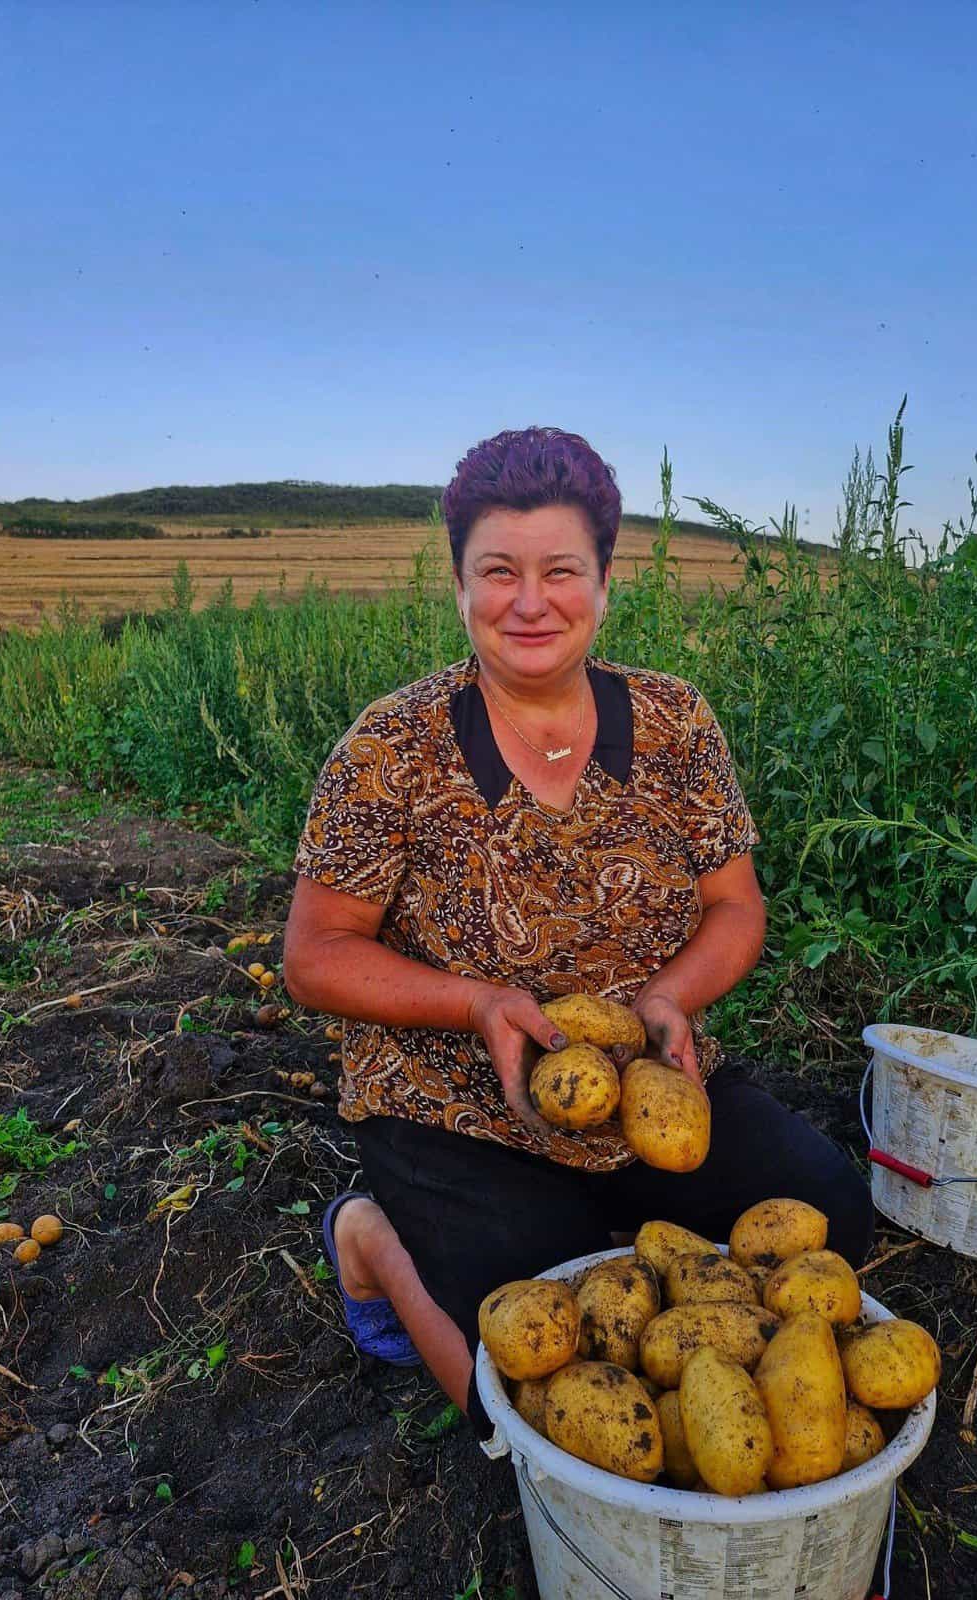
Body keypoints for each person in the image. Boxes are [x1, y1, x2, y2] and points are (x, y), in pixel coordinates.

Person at [283, 426, 873, 1430]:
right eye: (496, 571)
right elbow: (314, 955)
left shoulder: (676, 721)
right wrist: (478, 1003)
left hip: (644, 1075)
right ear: (460, 583)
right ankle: (374, 1238)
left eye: (559, 569)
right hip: (451, 1096)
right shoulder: (391, 746)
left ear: (603, 580)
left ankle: (605, 1223)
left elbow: (737, 906)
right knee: (532, 1353)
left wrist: (668, 1001)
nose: (528, 601)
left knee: (832, 1213)